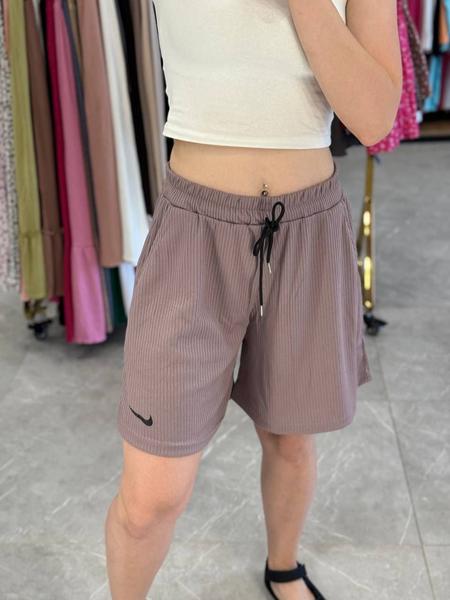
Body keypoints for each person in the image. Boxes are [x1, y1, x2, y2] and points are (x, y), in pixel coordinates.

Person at [105, 1, 402, 599]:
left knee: (290, 438)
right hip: (194, 231)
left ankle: (283, 566)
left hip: (309, 230)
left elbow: (373, 118)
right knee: (150, 497)